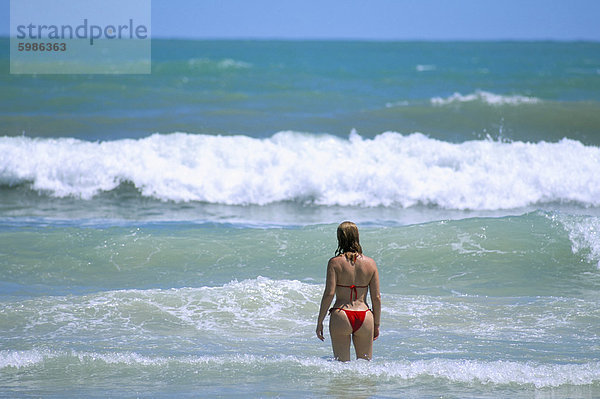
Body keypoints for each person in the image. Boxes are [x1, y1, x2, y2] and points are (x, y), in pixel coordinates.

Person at [316, 221, 381, 361]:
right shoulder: (371, 263)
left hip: (341, 315)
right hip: (365, 316)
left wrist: (320, 321)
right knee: (365, 368)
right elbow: (376, 297)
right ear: (357, 236)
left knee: (341, 367)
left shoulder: (334, 263)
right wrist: (376, 324)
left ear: (340, 238)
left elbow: (329, 293)